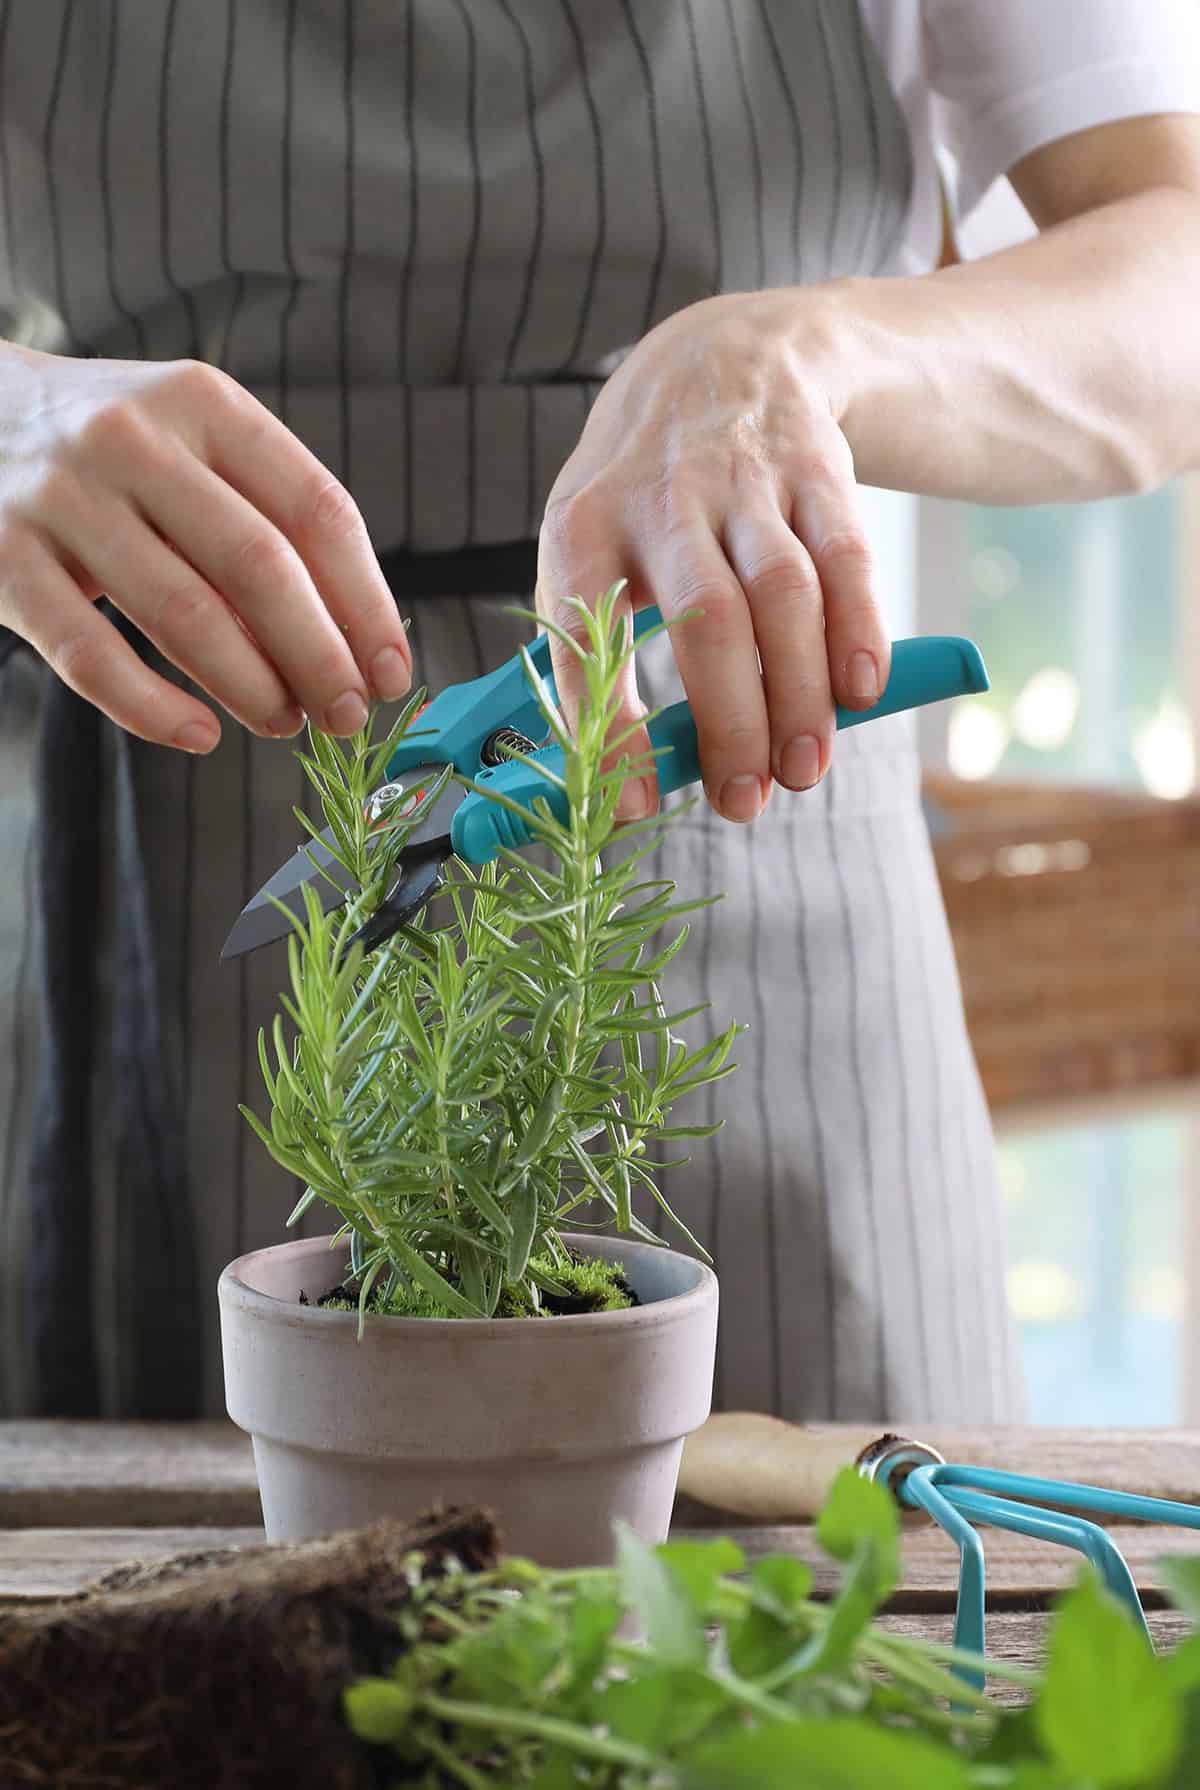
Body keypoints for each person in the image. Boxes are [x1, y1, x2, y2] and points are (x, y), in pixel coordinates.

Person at [1, 0, 1198, 1421]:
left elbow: (1171, 270)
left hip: (764, 865)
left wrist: (813, 355)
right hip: (127, 902)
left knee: (859, 1608)